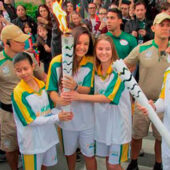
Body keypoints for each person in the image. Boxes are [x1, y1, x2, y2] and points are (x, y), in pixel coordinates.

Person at [62, 34, 132, 170]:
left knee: (113, 165)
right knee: (108, 161)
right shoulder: (96, 70)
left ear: (113, 51)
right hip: (104, 125)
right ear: (95, 51)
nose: (104, 52)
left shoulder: (120, 70)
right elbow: (89, 90)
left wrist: (78, 96)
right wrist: (75, 86)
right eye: (100, 49)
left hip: (119, 126)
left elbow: (108, 98)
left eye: (107, 49)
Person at [46, 26, 97, 170]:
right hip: (66, 119)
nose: (82, 47)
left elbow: (88, 89)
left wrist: (75, 87)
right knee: (70, 154)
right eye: (79, 43)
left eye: (86, 44)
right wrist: (58, 100)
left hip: (87, 119)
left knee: (89, 155)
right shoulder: (56, 62)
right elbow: (51, 90)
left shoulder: (90, 62)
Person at [11, 52, 73, 170]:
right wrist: (57, 117)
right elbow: (30, 120)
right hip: (31, 144)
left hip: (47, 138)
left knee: (45, 166)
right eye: (19, 70)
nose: (23, 73)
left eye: (25, 68)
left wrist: (63, 114)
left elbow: (50, 109)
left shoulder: (42, 85)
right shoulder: (18, 93)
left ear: (33, 66)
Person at [125, 12, 170, 170]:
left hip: (165, 104)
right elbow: (124, 66)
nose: (165, 28)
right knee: (137, 135)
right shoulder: (143, 48)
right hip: (142, 102)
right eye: (161, 25)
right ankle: (134, 162)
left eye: (168, 25)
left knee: (160, 138)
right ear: (153, 27)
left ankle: (158, 163)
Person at [0, 24, 46, 170]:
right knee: (11, 148)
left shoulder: (29, 57)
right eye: (18, 41)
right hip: (9, 115)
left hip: (32, 113)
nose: (23, 43)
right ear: (7, 43)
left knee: (34, 146)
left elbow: (43, 77)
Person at [138, 67, 170, 170]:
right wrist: (154, 107)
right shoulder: (168, 71)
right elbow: (164, 99)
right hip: (167, 132)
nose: (168, 50)